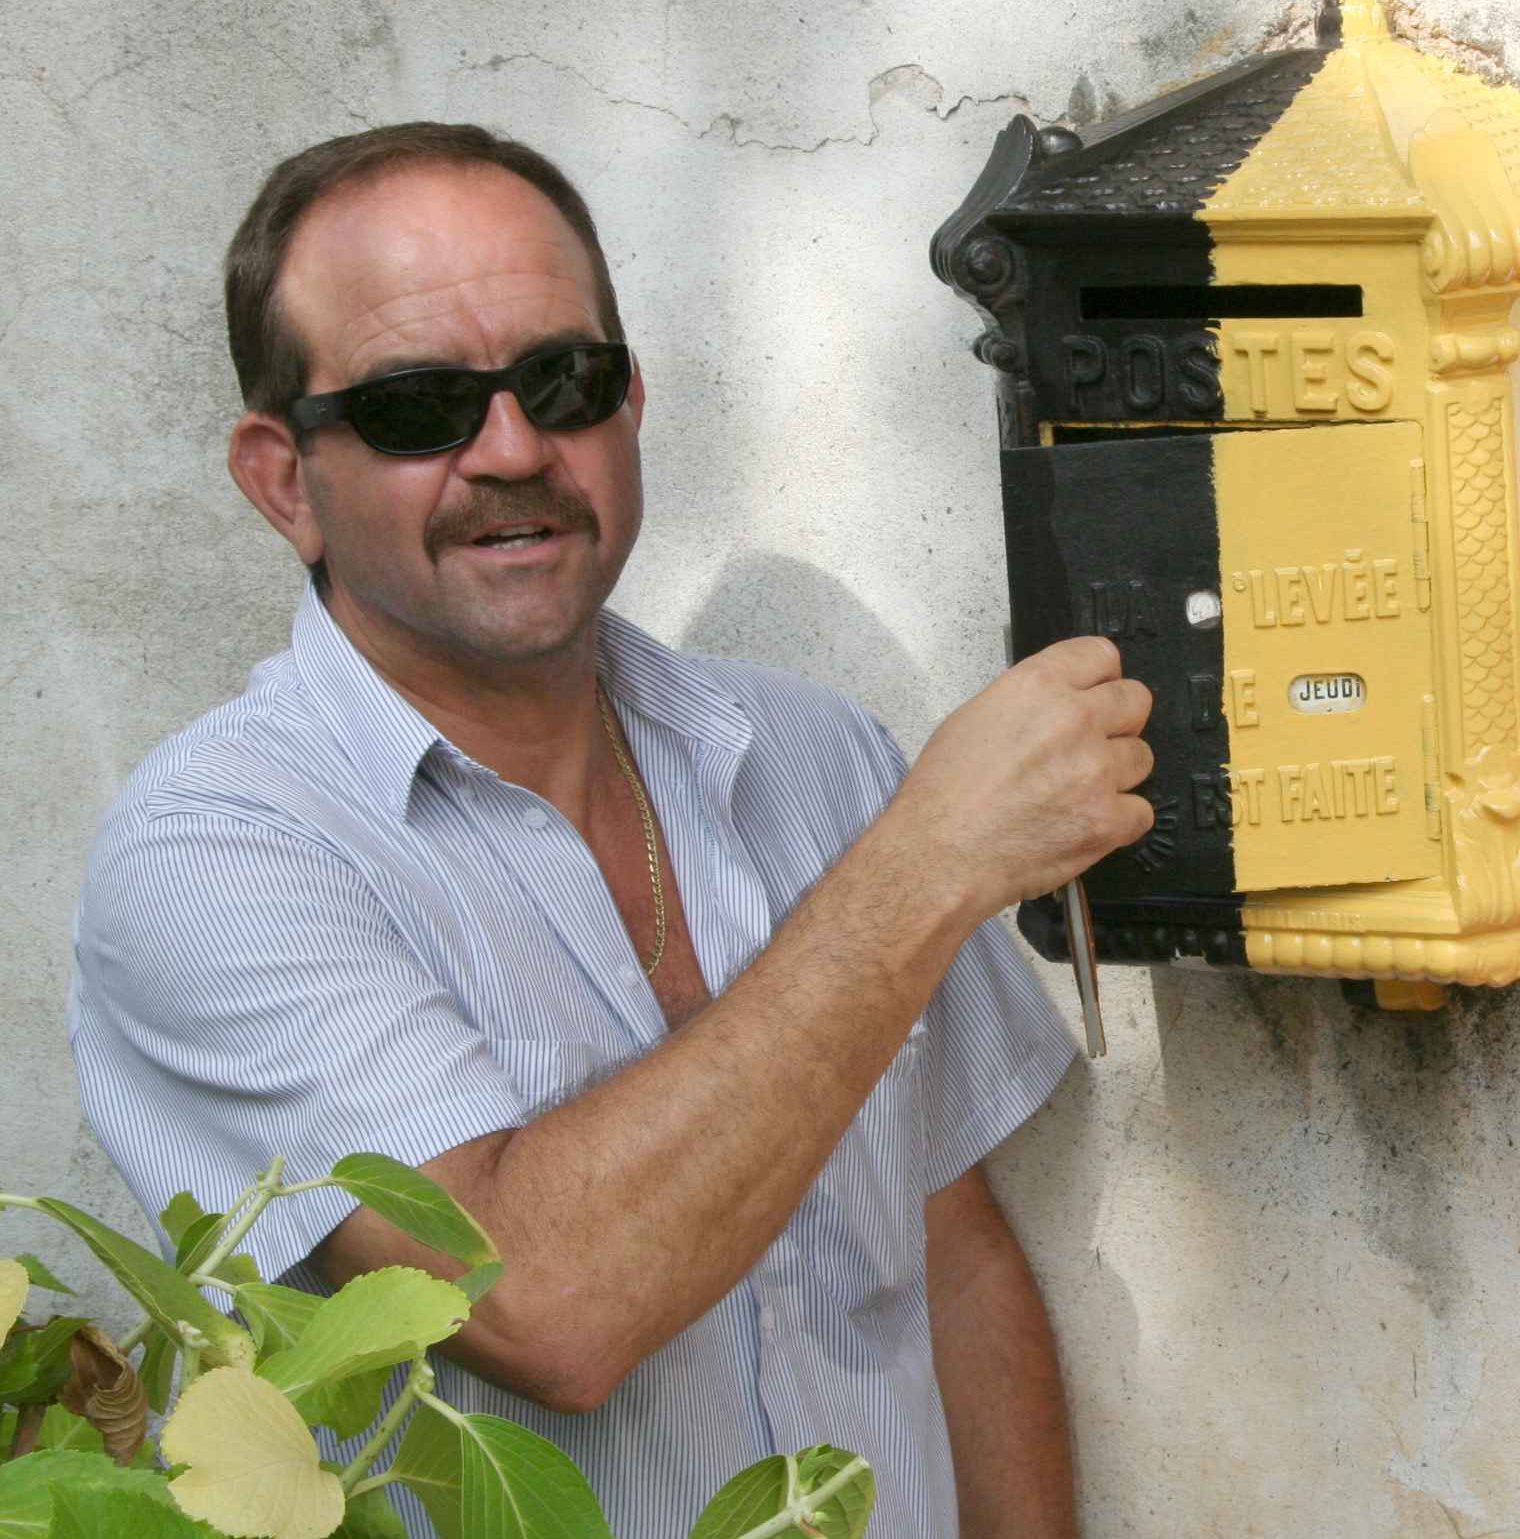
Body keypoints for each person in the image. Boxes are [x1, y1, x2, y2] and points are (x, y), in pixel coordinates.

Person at [68, 122, 1154, 1538]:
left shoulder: (816, 758)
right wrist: (926, 869)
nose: (511, 449)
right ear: (284, 480)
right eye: (416, 409)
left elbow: (951, 1268)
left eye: (559, 381)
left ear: (629, 405)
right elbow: (544, 1306)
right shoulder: (216, 855)